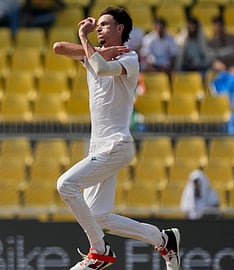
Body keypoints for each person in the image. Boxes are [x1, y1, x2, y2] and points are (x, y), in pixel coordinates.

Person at [53, 7, 181, 270]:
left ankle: (99, 251)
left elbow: (101, 69)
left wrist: (84, 37)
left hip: (116, 144)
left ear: (120, 28)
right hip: (100, 147)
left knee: (65, 185)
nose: (98, 28)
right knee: (98, 216)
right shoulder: (95, 54)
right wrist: (95, 50)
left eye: (105, 24)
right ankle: (163, 239)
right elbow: (58, 48)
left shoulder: (130, 57)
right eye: (96, 25)